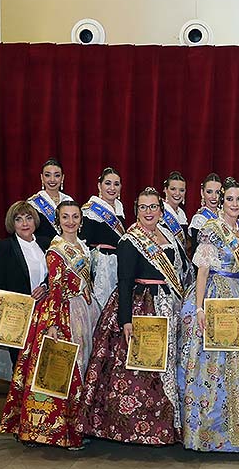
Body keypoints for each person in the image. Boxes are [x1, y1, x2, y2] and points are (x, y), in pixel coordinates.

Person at [79, 188, 186, 445]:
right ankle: (139, 430)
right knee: (143, 369)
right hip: (143, 307)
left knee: (168, 364)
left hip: (170, 305)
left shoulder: (170, 236)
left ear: (161, 210)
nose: (148, 212)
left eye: (153, 207)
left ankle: (170, 426)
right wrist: (126, 320)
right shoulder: (129, 240)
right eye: (143, 207)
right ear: (136, 211)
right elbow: (124, 282)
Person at [1, 201, 94, 449]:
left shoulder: (82, 247)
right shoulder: (56, 250)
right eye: (65, 217)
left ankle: (74, 427)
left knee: (80, 367)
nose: (71, 221)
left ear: (81, 220)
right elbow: (54, 288)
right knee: (63, 372)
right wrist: (53, 324)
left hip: (82, 310)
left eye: (75, 216)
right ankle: (59, 432)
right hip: (61, 314)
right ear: (58, 220)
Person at [177, 178, 239, 453]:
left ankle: (238, 431)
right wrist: (199, 307)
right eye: (230, 199)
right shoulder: (210, 230)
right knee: (214, 363)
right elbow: (202, 271)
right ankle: (211, 433)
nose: (234, 204)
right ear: (221, 202)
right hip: (216, 294)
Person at [0, 200, 49, 373]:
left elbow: (56, 276)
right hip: (17, 318)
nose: (24, 223)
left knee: (42, 368)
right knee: (21, 369)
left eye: (28, 218)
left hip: (45, 315)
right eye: (19, 219)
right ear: (12, 223)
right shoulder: (3, 247)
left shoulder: (47, 243)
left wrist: (45, 286)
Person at [81, 167, 127, 316]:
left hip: (119, 264)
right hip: (101, 266)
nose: (112, 188)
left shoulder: (120, 208)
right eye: (108, 183)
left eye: (116, 184)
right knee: (102, 308)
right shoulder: (90, 210)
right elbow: (83, 245)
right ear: (99, 185)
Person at [28, 158, 73, 246]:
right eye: (47, 175)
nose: (52, 180)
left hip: (68, 251)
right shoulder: (34, 204)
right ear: (42, 177)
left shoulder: (69, 201)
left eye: (57, 175)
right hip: (42, 250)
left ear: (62, 178)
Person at [188, 173, 223, 248]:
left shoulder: (225, 214)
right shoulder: (199, 219)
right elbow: (195, 251)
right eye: (209, 192)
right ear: (202, 193)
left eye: (217, 192)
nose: (214, 196)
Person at [161, 171, 188, 243]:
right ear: (165, 190)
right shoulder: (160, 211)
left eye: (181, 190)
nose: (177, 193)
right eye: (173, 189)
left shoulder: (182, 213)